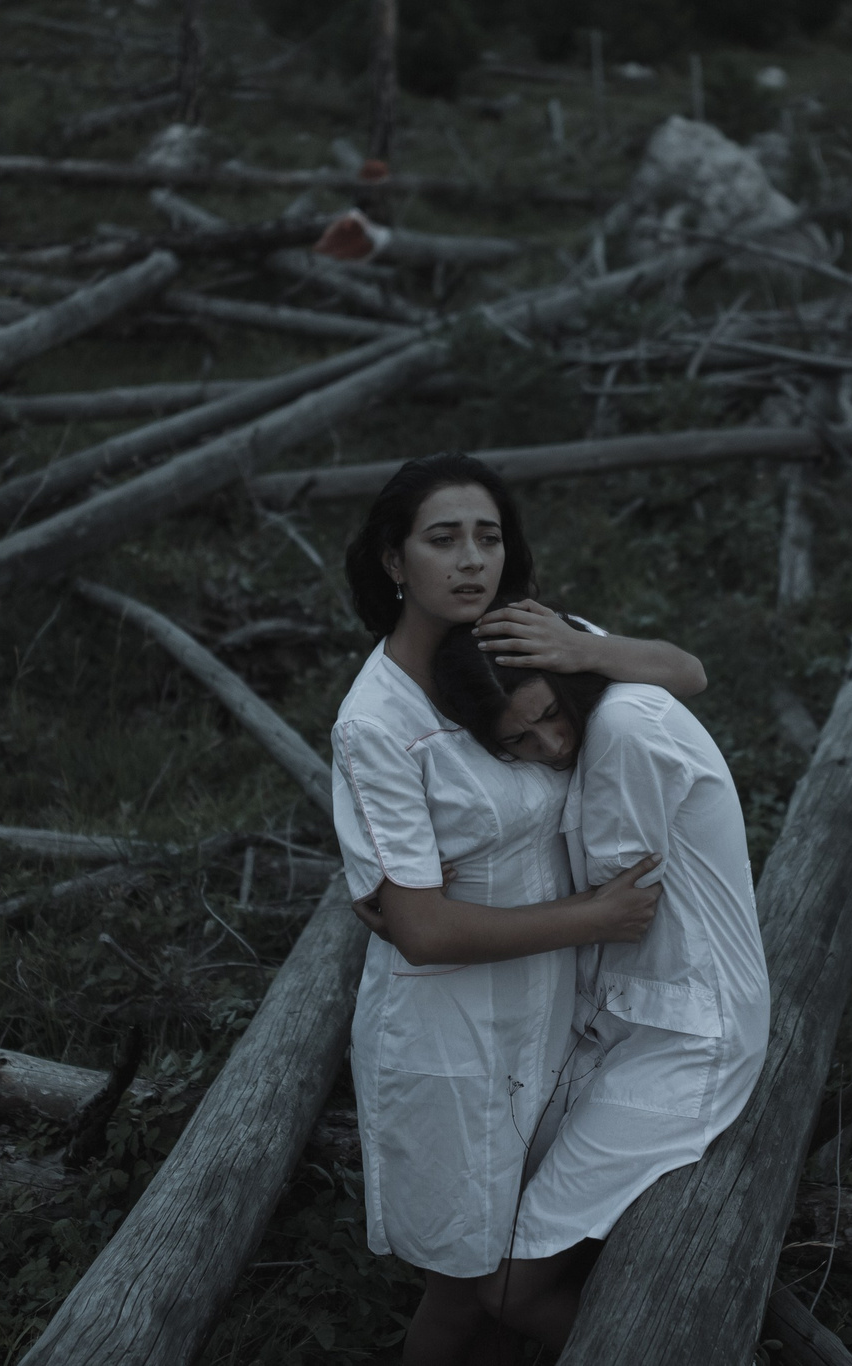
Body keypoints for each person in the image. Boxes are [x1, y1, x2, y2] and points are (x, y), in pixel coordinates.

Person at [328, 452, 706, 1366]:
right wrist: (594, 918)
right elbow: (418, 928)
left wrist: (588, 650)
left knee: (520, 1257)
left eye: (488, 538)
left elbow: (687, 671)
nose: (472, 561)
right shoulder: (373, 723)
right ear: (394, 560)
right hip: (449, 1043)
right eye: (443, 539)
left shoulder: (514, 637)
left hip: (549, 1015)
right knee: (466, 1287)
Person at [407, 620, 770, 1352]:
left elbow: (615, 913)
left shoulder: (624, 732)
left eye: (548, 717)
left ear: (567, 671)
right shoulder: (578, 691)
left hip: (687, 1030)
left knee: (505, 1289)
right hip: (613, 1017)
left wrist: (436, 896)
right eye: (517, 742)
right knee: (475, 1230)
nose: (549, 746)